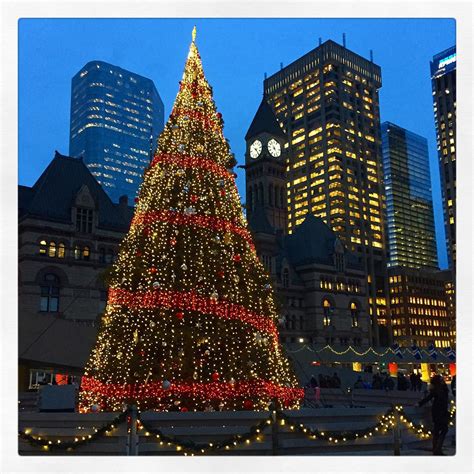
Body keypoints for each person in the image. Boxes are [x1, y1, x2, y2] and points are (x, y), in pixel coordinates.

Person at [418, 374, 450, 455]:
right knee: (443, 429)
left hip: (437, 411)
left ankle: (436, 448)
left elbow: (429, 397)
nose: (443, 380)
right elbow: (429, 397)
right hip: (440, 412)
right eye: (441, 379)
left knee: (437, 430)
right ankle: (437, 449)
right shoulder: (440, 389)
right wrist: (420, 403)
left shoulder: (439, 389)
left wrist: (419, 403)